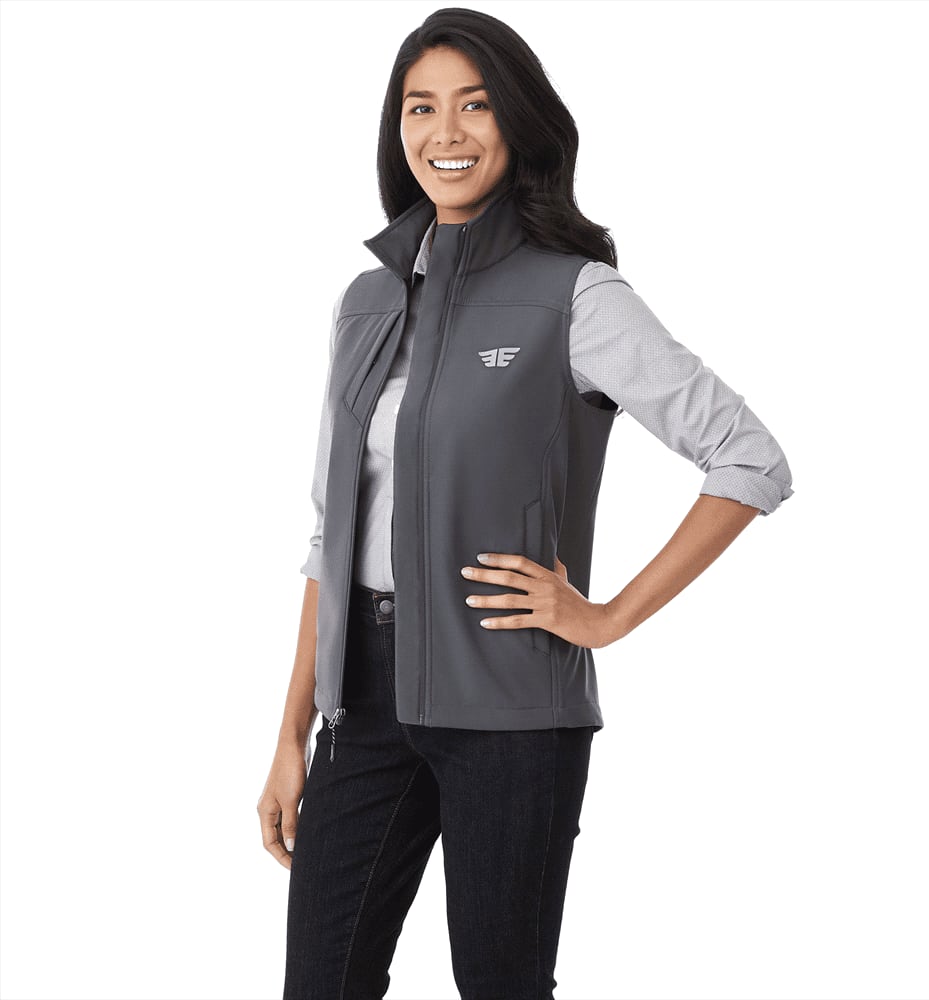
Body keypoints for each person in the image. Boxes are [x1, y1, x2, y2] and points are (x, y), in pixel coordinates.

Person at [258, 8, 794, 999]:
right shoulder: (363, 302)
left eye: (474, 105)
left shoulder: (574, 295)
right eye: (421, 108)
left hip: (509, 706)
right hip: (363, 701)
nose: (446, 132)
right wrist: (293, 734)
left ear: (516, 122)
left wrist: (606, 617)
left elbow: (748, 459)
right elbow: (333, 533)